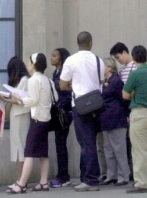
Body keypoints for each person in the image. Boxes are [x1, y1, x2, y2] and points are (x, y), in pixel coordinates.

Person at [59, 31, 103, 192]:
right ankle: (88, 177)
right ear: (90, 43)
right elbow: (101, 81)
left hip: (80, 105)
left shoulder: (71, 60)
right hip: (97, 105)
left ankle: (90, 179)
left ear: (77, 43)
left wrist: (73, 85)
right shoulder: (99, 60)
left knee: (86, 142)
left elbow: (63, 85)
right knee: (90, 141)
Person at [7, 53, 57, 193]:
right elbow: (55, 97)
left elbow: (33, 100)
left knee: (29, 152)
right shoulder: (47, 80)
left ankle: (21, 184)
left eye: (29, 62)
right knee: (43, 153)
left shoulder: (33, 80)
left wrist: (20, 98)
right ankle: (43, 182)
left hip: (36, 119)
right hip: (46, 119)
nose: (28, 64)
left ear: (34, 65)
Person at [122, 45, 147, 193]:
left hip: (139, 113)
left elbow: (125, 94)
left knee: (139, 150)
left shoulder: (135, 74)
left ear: (134, 57)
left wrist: (132, 93)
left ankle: (142, 183)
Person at [0, 57, 30, 180]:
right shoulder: (20, 81)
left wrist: (6, 98)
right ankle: (19, 178)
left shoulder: (25, 80)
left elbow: (21, 100)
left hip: (21, 115)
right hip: (16, 115)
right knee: (17, 147)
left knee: (20, 146)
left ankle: (22, 179)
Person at [99, 57, 130, 187]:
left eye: (103, 66)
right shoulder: (103, 82)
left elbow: (123, 99)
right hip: (105, 118)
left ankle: (123, 176)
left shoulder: (116, 81)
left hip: (117, 118)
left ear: (110, 68)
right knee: (108, 148)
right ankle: (111, 174)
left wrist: (126, 114)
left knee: (119, 148)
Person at [49, 48, 73, 188]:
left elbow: (67, 93)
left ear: (61, 57)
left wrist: (60, 104)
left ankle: (64, 177)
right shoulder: (56, 72)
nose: (51, 58)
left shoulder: (65, 72)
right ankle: (62, 175)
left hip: (64, 112)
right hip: (58, 111)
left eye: (54, 55)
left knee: (61, 144)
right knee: (59, 144)